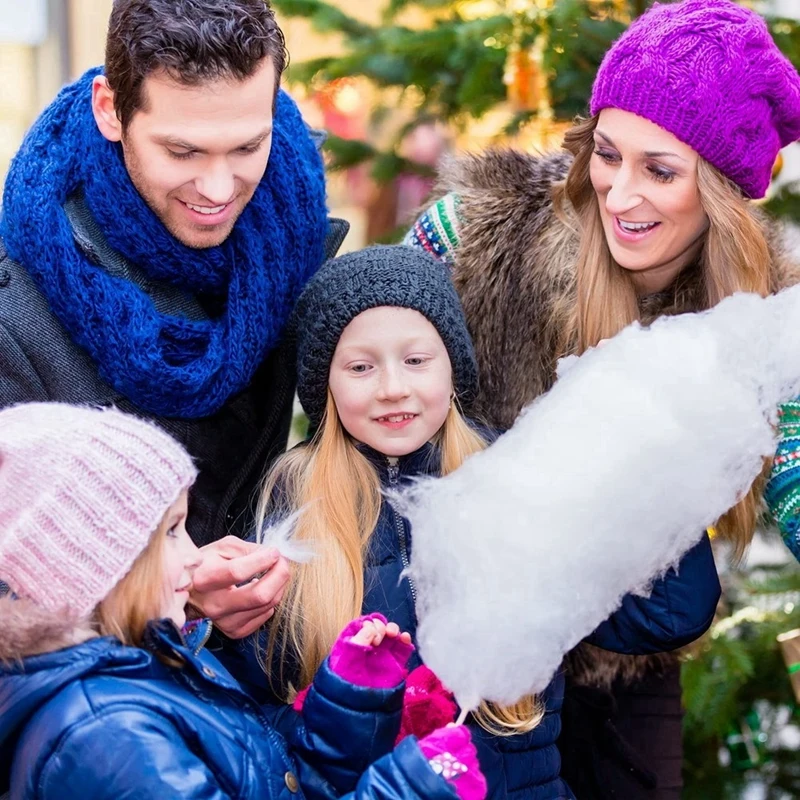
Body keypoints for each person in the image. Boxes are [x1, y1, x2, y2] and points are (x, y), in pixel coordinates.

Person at [403, 1, 800, 796]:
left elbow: (795, 465)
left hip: (626, 671)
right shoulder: (480, 230)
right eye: (608, 154)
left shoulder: (765, 317)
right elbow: (365, 348)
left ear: (720, 191)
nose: (619, 194)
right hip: (463, 640)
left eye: (659, 171)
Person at [216, 244, 722, 799]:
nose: (392, 387)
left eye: (416, 360)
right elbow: (251, 702)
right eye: (360, 367)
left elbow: (668, 616)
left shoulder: (513, 475)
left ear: (452, 365)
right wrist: (356, 726)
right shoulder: (293, 500)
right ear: (326, 387)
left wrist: (646, 474)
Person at [0, 0, 343, 639]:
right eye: (182, 151)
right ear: (110, 109)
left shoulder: (291, 232)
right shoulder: (16, 307)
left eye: (247, 145)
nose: (218, 188)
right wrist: (175, 594)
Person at [0, 402, 486, 800]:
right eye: (172, 532)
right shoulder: (109, 736)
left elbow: (279, 784)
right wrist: (410, 790)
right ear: (98, 562)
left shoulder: (159, 664)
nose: (196, 558)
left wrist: (349, 702)